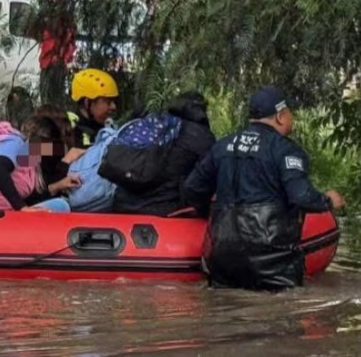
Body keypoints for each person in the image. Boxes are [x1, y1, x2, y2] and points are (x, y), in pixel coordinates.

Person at [181, 86, 346, 291]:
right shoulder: (286, 150)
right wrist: (328, 200)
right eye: (290, 113)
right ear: (280, 116)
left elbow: (192, 189)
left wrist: (207, 211)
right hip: (271, 263)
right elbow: (301, 196)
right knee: (280, 317)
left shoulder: (221, 147)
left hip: (223, 257)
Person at [112, 91, 216, 217]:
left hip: (122, 205)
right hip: (167, 211)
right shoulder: (202, 136)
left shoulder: (154, 125)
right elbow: (206, 180)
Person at [0, 111, 81, 211]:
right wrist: (22, 208)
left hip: (3, 212)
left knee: (59, 204)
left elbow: (31, 198)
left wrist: (58, 185)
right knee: (61, 206)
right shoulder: (13, 142)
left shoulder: (30, 163)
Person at [67, 68, 119, 149]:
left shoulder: (109, 128)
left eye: (114, 101)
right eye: (108, 101)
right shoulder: (65, 126)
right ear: (87, 103)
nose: (113, 106)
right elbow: (41, 150)